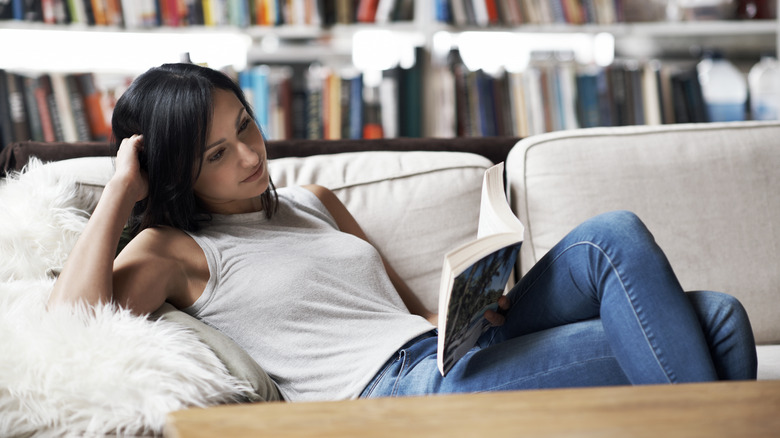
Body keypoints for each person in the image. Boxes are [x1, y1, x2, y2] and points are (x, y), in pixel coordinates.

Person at [48, 63, 758, 402]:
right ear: (173, 173)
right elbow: (70, 329)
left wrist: (475, 307)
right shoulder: (172, 251)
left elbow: (409, 310)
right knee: (717, 326)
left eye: (246, 127)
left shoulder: (314, 200)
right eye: (216, 154)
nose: (252, 156)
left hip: (449, 351)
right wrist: (120, 188)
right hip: (403, 391)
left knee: (615, 237)